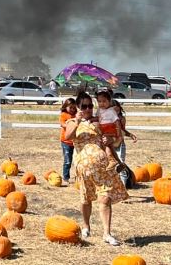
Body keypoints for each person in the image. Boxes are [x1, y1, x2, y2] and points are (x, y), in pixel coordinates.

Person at [63, 91, 128, 246]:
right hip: (84, 168)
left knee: (105, 198)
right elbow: (68, 136)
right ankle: (86, 226)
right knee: (86, 199)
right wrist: (78, 121)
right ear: (77, 107)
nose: (87, 109)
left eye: (90, 106)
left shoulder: (100, 121)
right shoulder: (72, 122)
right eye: (84, 106)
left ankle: (107, 233)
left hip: (103, 167)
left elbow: (117, 140)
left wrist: (111, 139)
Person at [95, 90, 128, 173]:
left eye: (104, 101)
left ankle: (112, 159)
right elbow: (97, 118)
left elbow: (117, 122)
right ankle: (119, 162)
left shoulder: (111, 111)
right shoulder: (99, 110)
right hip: (103, 129)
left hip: (110, 129)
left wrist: (119, 134)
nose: (102, 103)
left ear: (109, 101)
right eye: (99, 101)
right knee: (109, 146)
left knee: (106, 143)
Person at [59, 98, 77, 185]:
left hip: (75, 141)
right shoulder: (64, 115)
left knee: (77, 160)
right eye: (71, 107)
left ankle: (78, 176)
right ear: (65, 107)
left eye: (74, 107)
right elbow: (63, 124)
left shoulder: (77, 115)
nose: (73, 109)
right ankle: (66, 177)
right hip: (66, 142)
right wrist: (70, 123)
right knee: (68, 160)